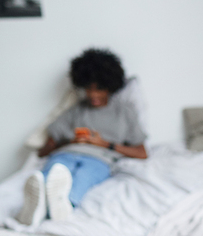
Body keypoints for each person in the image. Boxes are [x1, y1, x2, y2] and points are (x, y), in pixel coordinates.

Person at [16, 48, 147, 225]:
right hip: (66, 153)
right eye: (88, 89)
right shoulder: (75, 111)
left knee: (85, 176)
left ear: (110, 86)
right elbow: (43, 152)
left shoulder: (124, 113)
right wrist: (70, 141)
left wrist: (105, 144)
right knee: (53, 171)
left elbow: (142, 153)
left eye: (99, 89)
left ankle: (65, 204)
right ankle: (37, 203)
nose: (93, 95)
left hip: (100, 158)